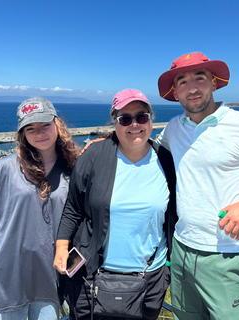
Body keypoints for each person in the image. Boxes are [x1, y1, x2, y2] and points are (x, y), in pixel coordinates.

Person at [156, 52, 239, 319]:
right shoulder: (174, 127)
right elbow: (146, 151)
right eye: (182, 81)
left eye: (200, 78)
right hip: (182, 247)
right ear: (175, 92)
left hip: (229, 253)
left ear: (214, 84)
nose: (192, 87)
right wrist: (106, 147)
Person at [53, 89, 177, 320]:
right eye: (125, 119)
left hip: (149, 278)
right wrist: (61, 247)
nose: (135, 125)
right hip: (91, 276)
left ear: (151, 118)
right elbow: (73, 207)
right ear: (115, 122)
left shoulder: (166, 160)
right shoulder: (93, 157)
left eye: (142, 117)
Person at [0, 97, 79, 320]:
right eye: (31, 128)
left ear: (57, 125)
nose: (40, 133)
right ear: (22, 134)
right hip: (9, 269)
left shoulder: (73, 168)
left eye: (45, 125)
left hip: (49, 270)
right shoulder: (4, 168)